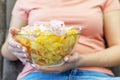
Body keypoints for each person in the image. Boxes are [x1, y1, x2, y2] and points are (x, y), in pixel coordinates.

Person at [1, 0, 120, 80]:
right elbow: (8, 52)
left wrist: (81, 61)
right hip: (39, 74)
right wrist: (13, 46)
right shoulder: (25, 1)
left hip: (94, 74)